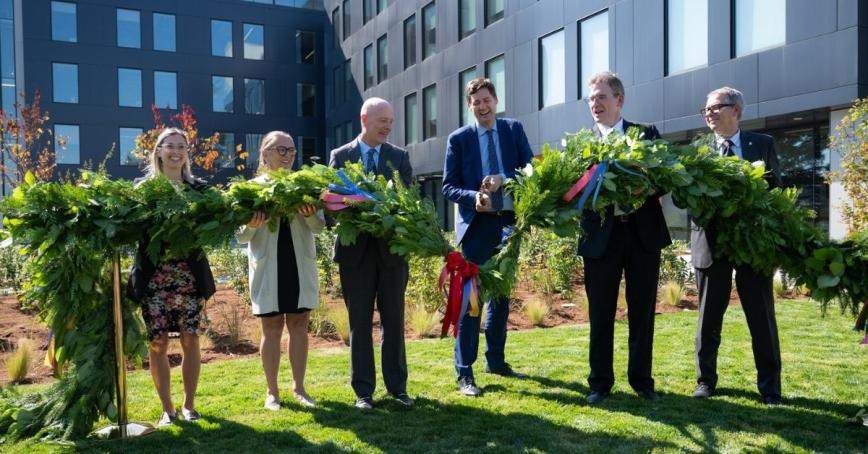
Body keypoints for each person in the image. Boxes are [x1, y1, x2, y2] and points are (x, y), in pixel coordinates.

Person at [579, 71, 671, 404]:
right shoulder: (580, 144)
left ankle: (642, 382)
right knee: (601, 313)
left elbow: (665, 177)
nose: (595, 104)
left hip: (642, 235)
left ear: (619, 99)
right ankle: (599, 383)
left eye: (601, 97)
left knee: (642, 312)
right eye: (591, 99)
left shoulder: (646, 134)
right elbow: (572, 194)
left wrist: (644, 187)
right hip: (600, 239)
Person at [442, 78, 534, 397]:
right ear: (470, 107)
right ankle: (464, 373)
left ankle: (496, 360)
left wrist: (504, 180)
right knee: (471, 304)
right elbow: (448, 186)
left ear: (496, 101)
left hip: (508, 226)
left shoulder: (513, 131)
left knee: (501, 298)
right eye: (476, 103)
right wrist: (472, 197)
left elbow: (530, 171)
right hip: (475, 231)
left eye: (487, 100)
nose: (482, 107)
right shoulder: (459, 139)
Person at [692, 87, 783, 405]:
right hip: (711, 244)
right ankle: (705, 381)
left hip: (752, 245)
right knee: (708, 317)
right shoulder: (698, 149)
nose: (710, 113)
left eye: (717, 107)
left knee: (761, 317)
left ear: (737, 111)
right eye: (706, 109)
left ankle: (770, 388)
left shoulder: (763, 144)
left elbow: (776, 193)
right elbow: (688, 199)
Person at [126, 127, 216, 426]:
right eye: (170, 146)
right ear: (159, 151)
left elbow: (214, 226)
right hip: (154, 278)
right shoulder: (143, 190)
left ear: (187, 153)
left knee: (191, 339)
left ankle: (189, 406)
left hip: (189, 277)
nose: (176, 151)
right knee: (158, 343)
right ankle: (168, 409)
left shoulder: (201, 191)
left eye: (182, 146)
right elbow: (131, 230)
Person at [328, 97, 414, 409]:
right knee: (359, 323)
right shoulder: (340, 156)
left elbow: (406, 204)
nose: (388, 127)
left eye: (391, 121)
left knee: (394, 321)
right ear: (365, 119)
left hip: (392, 254)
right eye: (383, 121)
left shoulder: (399, 157)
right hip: (355, 256)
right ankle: (363, 393)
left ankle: (398, 389)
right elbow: (332, 203)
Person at [236, 131, 324, 411]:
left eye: (292, 151)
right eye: (281, 150)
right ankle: (272, 392)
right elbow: (240, 236)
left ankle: (299, 388)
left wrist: (311, 215)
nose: (287, 156)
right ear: (265, 153)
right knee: (271, 328)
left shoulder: (306, 186)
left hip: (299, 264)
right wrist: (252, 223)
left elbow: (320, 227)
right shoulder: (251, 189)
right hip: (268, 266)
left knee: (299, 325)